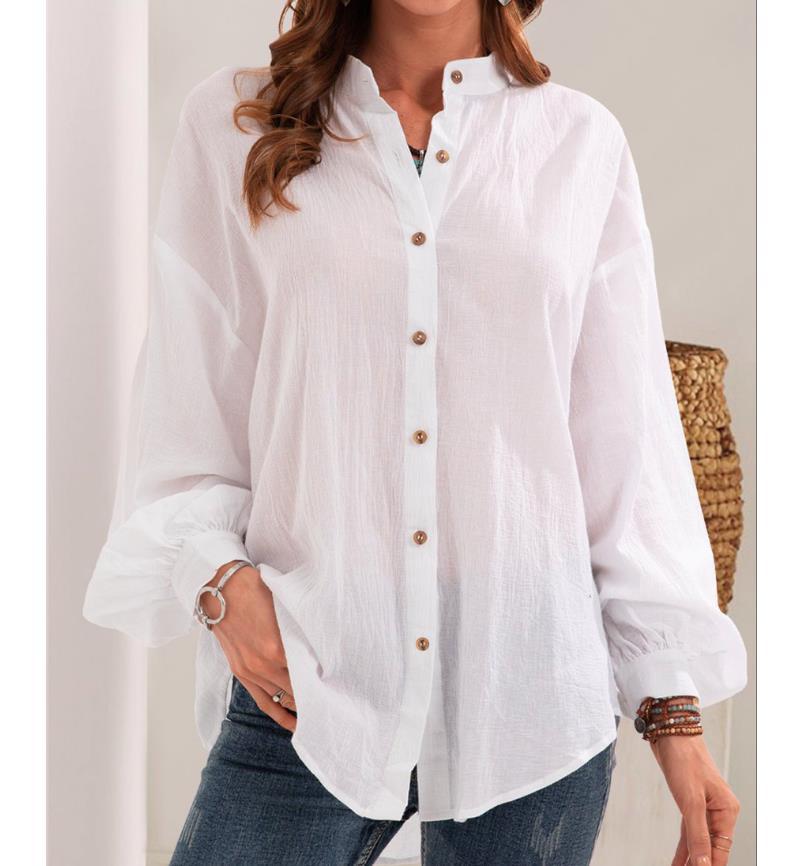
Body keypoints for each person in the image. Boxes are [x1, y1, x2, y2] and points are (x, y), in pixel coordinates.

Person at [82, 1, 748, 864]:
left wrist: (672, 713)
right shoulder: (236, 123)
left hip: (531, 696)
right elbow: (187, 403)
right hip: (311, 678)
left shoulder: (579, 143)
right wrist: (219, 583)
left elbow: (626, 449)